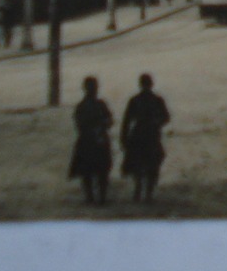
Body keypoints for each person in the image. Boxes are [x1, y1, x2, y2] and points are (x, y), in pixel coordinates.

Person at [120, 73, 171, 203]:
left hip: (140, 135)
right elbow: (166, 117)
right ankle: (147, 191)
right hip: (150, 136)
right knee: (152, 164)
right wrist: (157, 122)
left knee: (142, 164)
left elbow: (126, 121)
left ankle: (141, 189)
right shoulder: (156, 100)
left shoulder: (135, 100)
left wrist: (124, 137)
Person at [67, 76, 113, 205]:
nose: (94, 90)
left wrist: (102, 126)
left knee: (92, 170)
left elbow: (109, 120)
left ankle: (94, 196)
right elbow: (108, 120)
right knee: (97, 170)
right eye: (92, 87)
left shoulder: (86, 106)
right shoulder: (93, 105)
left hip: (90, 140)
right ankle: (96, 196)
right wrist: (99, 127)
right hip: (94, 140)